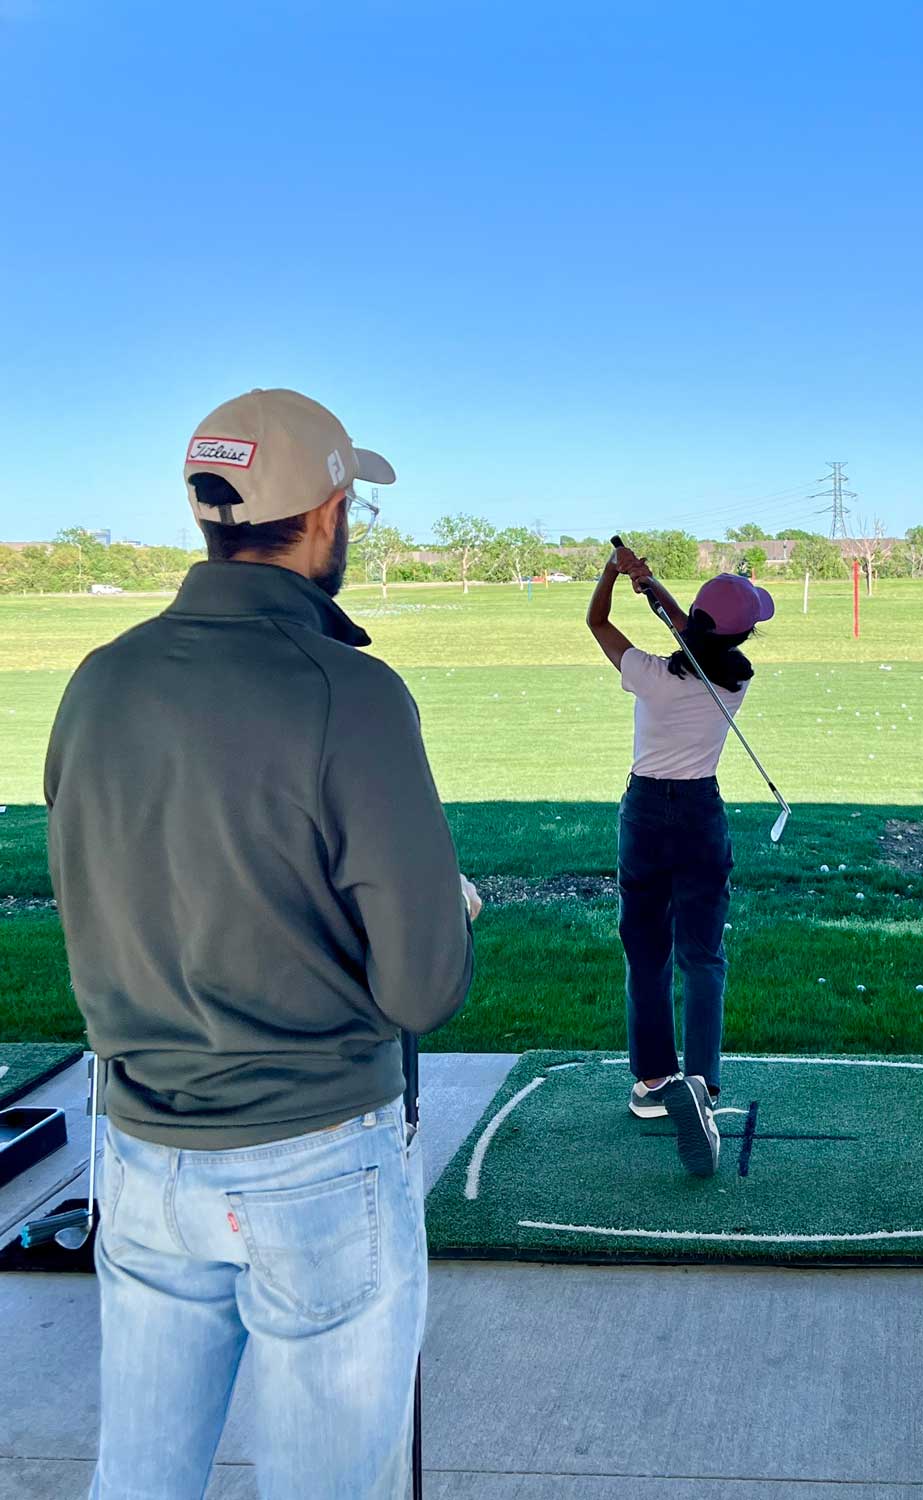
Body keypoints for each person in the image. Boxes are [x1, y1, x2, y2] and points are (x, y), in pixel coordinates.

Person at [45, 388, 480, 1499]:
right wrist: (450, 908)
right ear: (327, 513)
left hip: (139, 1154)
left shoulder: (101, 681)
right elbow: (422, 987)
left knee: (139, 1478)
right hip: (317, 1160)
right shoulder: (353, 691)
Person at [586, 542, 774, 1177]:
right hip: (700, 814)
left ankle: (652, 1083)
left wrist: (615, 576)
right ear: (743, 632)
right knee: (702, 956)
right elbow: (693, 635)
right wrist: (654, 586)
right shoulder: (736, 678)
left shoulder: (647, 674)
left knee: (646, 953)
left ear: (691, 618)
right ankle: (703, 1085)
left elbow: (597, 625)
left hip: (645, 815)